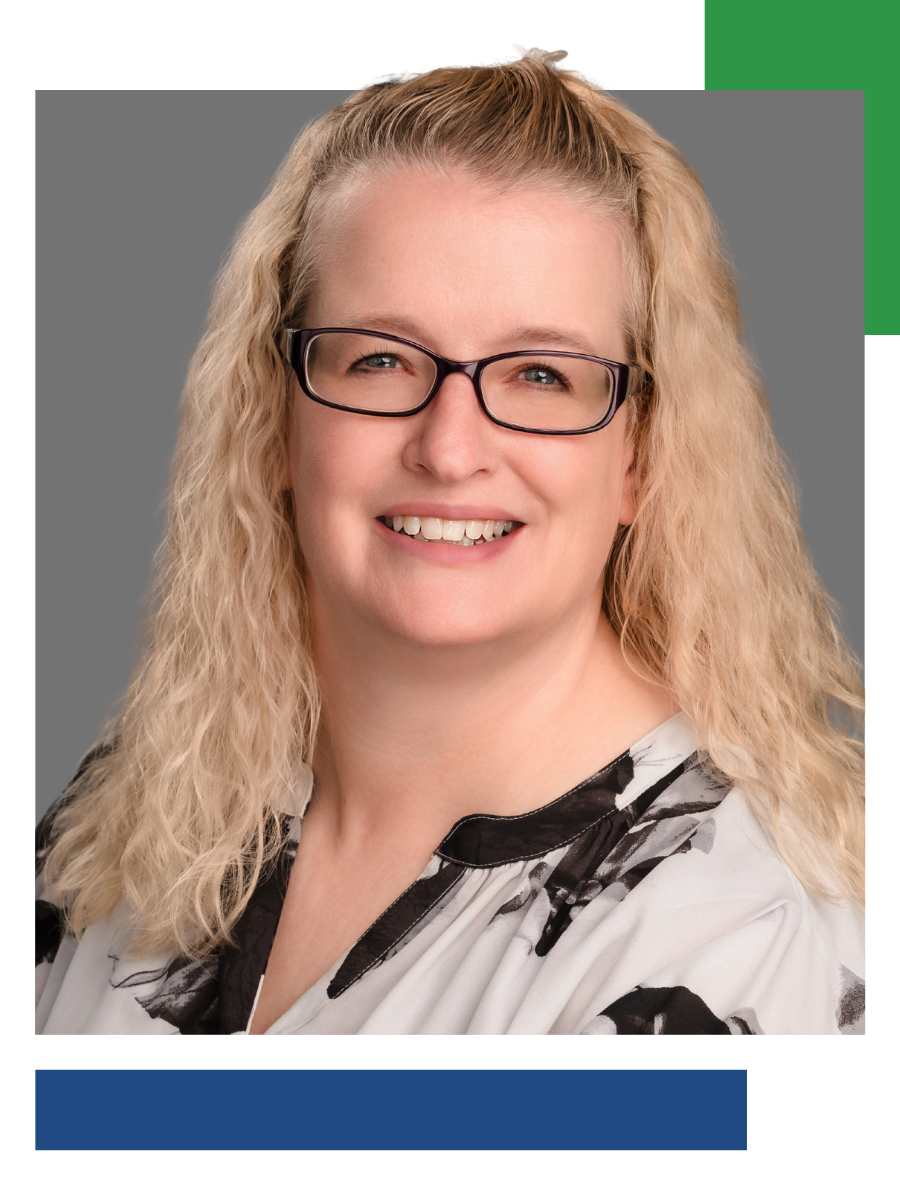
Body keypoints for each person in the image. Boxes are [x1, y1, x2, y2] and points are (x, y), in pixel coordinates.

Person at [36, 52, 864, 1035]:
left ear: (643, 455)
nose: (449, 447)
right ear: (273, 419)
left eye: (541, 375)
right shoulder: (132, 816)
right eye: (381, 359)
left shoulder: (731, 945)